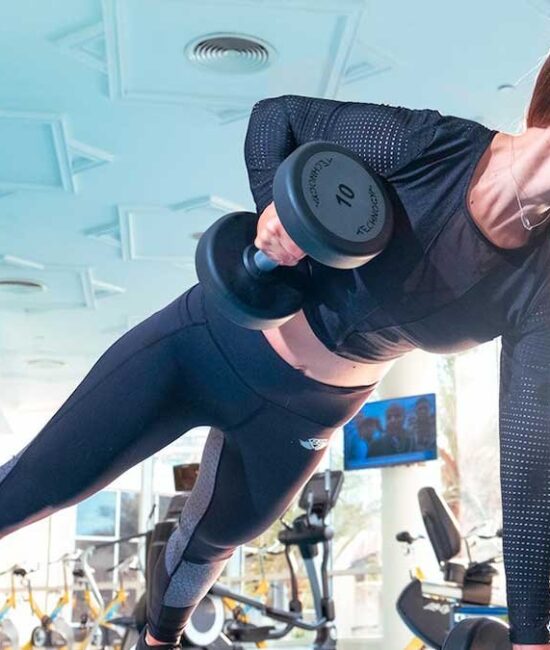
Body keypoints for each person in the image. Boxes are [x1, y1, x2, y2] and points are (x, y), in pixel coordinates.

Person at [0, 53, 548, 650]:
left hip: (302, 418)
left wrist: (530, 635)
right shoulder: (433, 145)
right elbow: (277, 118)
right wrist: (275, 208)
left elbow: (530, 455)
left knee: (211, 543)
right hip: (205, 345)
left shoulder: (539, 283)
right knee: (33, 490)